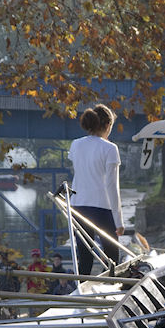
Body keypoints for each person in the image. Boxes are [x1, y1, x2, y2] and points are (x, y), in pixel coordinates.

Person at [68, 103, 123, 276]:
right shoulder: (110, 148)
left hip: (78, 205)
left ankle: (81, 288)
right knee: (112, 256)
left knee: (84, 257)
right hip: (102, 207)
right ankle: (112, 286)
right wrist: (119, 221)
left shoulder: (75, 145)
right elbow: (112, 186)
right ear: (107, 125)